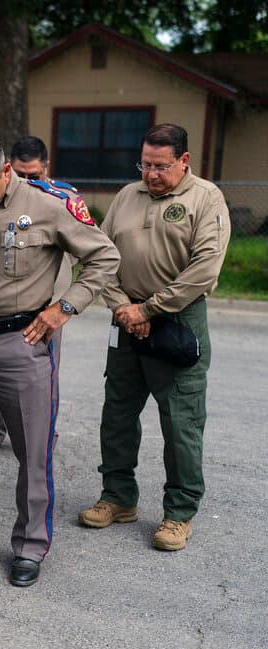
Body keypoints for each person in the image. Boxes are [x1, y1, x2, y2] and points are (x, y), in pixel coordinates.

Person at [0, 136, 119, 587]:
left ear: (5, 173)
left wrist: (65, 308)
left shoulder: (49, 204)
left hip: (23, 341)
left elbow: (104, 256)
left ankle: (30, 546)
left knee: (32, 452)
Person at [79, 123, 230, 551]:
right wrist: (125, 308)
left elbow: (205, 268)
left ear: (184, 160)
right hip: (127, 319)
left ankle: (179, 513)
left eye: (160, 166)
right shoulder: (128, 195)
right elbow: (101, 255)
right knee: (118, 413)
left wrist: (149, 309)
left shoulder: (206, 198)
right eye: (144, 165)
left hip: (178, 321)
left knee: (181, 423)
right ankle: (118, 497)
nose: (150, 174)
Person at [0, 135, 79, 457]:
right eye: (20, 174)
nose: (26, 182)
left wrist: (63, 302)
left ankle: (42, 435)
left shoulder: (63, 199)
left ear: (47, 168)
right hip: (6, 302)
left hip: (48, 304)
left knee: (43, 376)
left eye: (33, 175)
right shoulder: (1, 197)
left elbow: (84, 252)